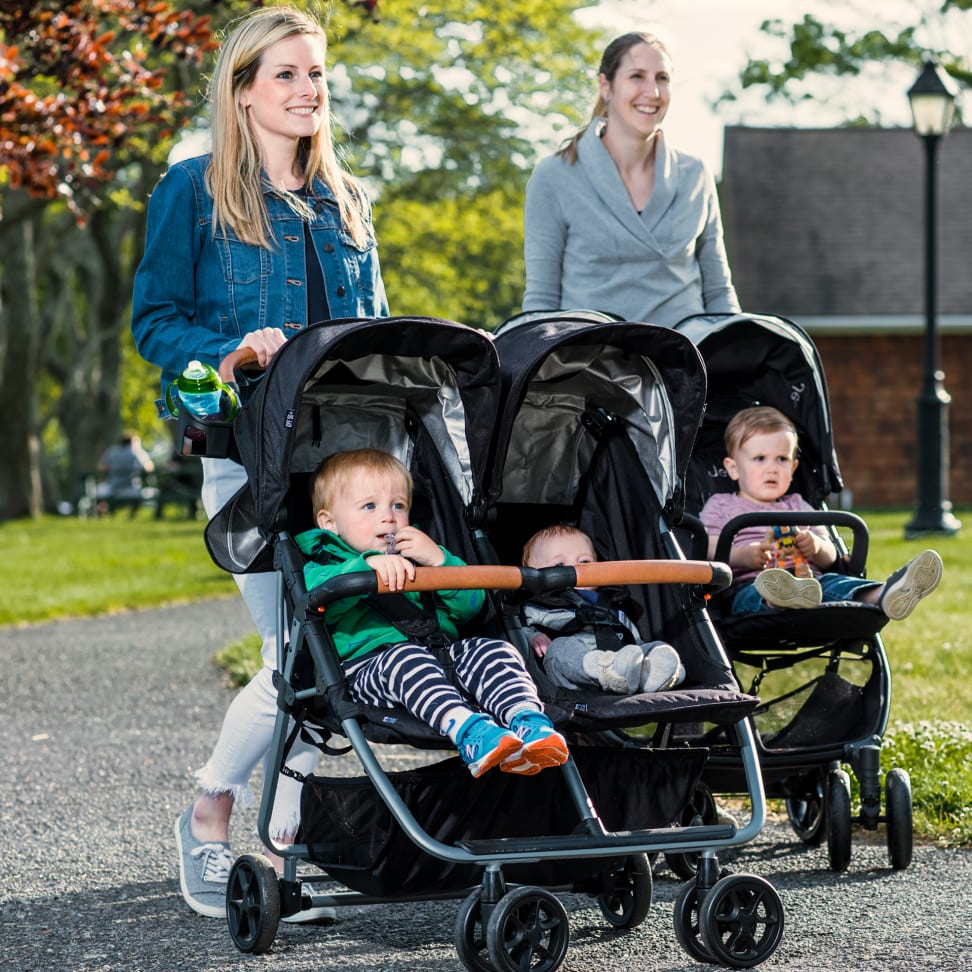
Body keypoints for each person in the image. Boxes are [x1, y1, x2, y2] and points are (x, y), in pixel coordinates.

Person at [130, 6, 388, 920]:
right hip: (250, 455)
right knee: (296, 653)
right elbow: (154, 324)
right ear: (242, 92)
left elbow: (377, 339)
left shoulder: (348, 203)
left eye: (316, 74)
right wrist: (236, 352)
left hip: (349, 471)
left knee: (334, 659)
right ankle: (210, 811)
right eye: (286, 74)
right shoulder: (193, 191)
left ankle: (277, 857)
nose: (309, 90)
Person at [296, 449, 570, 779]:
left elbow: (470, 607)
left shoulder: (419, 558)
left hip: (440, 659)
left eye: (398, 505)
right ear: (329, 522)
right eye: (370, 506)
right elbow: (318, 599)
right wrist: (365, 568)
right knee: (405, 660)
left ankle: (528, 723)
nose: (389, 517)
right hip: (368, 673)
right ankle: (469, 732)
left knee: (493, 649)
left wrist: (440, 561)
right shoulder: (323, 565)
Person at [522, 32, 739, 326]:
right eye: (637, 76)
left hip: (685, 358)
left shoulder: (695, 175)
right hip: (589, 361)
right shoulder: (554, 176)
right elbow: (541, 301)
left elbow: (718, 292)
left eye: (662, 78)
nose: (653, 92)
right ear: (606, 87)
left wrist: (738, 352)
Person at [699, 406, 943, 616]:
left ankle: (885, 594)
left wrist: (815, 547)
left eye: (781, 459)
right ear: (733, 468)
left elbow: (832, 557)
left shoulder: (799, 506)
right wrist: (742, 555)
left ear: (794, 467)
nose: (772, 468)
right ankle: (779, 598)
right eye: (760, 458)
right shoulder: (721, 505)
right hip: (750, 584)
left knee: (837, 584)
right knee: (754, 593)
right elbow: (704, 548)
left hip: (812, 583)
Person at [520, 524, 684, 694]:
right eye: (560, 565)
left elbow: (633, 640)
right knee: (559, 649)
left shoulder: (611, 602)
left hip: (622, 661)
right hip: (572, 677)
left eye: (584, 561)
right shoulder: (537, 606)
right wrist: (534, 636)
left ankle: (657, 675)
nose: (576, 568)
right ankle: (610, 672)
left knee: (655, 647)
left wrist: (642, 653)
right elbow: (517, 630)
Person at [95, 433, 156, 516]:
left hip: (112, 487)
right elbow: (149, 468)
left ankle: (103, 514)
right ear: (133, 442)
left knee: (99, 492)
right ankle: (131, 515)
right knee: (152, 492)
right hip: (132, 488)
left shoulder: (112, 451)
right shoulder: (137, 452)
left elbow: (101, 467)